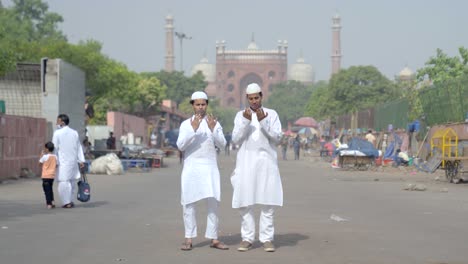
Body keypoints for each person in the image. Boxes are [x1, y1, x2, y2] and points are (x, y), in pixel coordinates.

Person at [231, 83, 283, 252]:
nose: (254, 101)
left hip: (266, 162)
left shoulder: (272, 114)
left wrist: (264, 121)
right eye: (251, 98)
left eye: (257, 98)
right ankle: (247, 238)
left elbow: (277, 138)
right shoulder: (240, 115)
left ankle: (267, 239)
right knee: (244, 202)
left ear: (261, 97)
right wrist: (246, 121)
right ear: (247, 98)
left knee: (268, 202)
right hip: (246, 162)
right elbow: (235, 139)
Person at [176, 91, 228, 251]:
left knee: (213, 203)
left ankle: (214, 238)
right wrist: (193, 129)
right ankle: (189, 238)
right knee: (189, 203)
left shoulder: (213, 123)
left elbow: (223, 145)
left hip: (210, 168)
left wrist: (213, 130)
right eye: (197, 104)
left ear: (207, 105)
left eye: (203, 104)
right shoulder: (186, 124)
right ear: (192, 105)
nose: (200, 107)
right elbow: (180, 146)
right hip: (191, 169)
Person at [52, 114, 85, 208]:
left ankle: (67, 202)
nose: (56, 123)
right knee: (72, 182)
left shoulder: (57, 133)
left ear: (62, 122)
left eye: (57, 121)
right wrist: (81, 160)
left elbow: (55, 148)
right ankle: (70, 200)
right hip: (73, 162)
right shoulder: (74, 132)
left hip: (63, 162)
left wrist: (54, 161)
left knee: (63, 181)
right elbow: (79, 147)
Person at [39, 142, 57, 209]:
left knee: (46, 190)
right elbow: (57, 165)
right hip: (52, 176)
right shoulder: (55, 157)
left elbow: (40, 164)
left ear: (47, 149)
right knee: (50, 189)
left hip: (45, 176)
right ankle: (52, 201)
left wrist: (41, 156)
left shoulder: (45, 157)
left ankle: (49, 204)